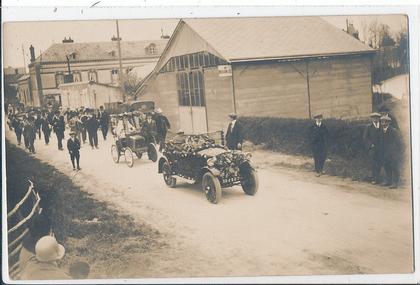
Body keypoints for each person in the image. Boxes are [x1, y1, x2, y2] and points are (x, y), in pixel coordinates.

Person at [378, 116, 403, 188]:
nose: (383, 123)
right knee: (386, 166)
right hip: (384, 152)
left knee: (394, 167)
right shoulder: (380, 131)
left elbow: (399, 143)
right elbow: (380, 142)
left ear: (388, 122)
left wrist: (398, 152)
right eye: (382, 121)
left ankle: (395, 183)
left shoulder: (393, 131)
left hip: (393, 153)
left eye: (385, 121)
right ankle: (389, 181)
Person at [363, 112, 383, 184]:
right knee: (373, 163)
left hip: (381, 148)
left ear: (379, 118)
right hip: (372, 148)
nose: (375, 119)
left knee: (379, 163)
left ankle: (378, 178)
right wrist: (370, 144)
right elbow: (365, 137)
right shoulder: (368, 127)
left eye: (377, 117)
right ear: (371, 119)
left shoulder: (381, 126)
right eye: (374, 117)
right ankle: (374, 178)